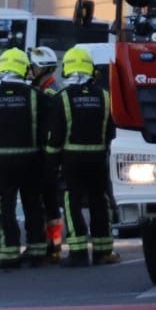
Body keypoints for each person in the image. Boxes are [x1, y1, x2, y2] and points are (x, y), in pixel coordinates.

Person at [0, 47, 48, 270]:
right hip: (32, 161)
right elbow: (47, 132)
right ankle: (37, 251)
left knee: (4, 209)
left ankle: (8, 254)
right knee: (34, 205)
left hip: (1, 164)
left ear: (2, 69)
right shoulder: (36, 97)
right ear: (24, 69)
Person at [44, 46, 117, 266]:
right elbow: (111, 133)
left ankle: (77, 252)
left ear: (67, 69)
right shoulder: (105, 97)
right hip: (99, 160)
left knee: (71, 202)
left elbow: (55, 138)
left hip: (72, 161)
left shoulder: (62, 98)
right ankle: (103, 251)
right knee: (99, 202)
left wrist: (50, 166)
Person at [28, 45, 65, 261]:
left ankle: (51, 247)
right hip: (47, 157)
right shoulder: (46, 90)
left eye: (33, 67)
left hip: (47, 158)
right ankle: (53, 246)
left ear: (42, 69)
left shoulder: (50, 93)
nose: (30, 71)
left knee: (49, 203)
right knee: (49, 204)